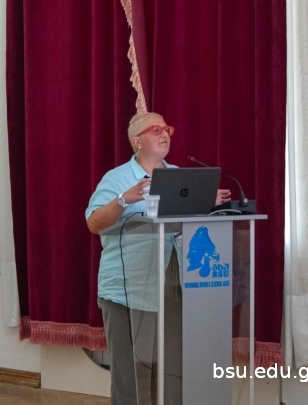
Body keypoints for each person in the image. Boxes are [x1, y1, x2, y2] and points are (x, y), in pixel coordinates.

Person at [85, 112, 230, 404]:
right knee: (129, 371)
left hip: (174, 287)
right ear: (137, 141)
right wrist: (123, 200)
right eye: (156, 130)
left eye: (167, 129)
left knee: (172, 369)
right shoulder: (116, 178)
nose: (165, 134)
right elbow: (94, 223)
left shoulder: (180, 177)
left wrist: (206, 203)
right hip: (127, 289)